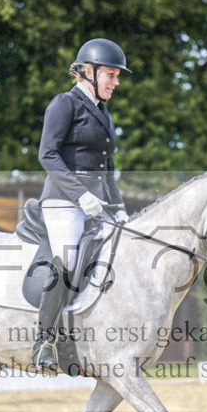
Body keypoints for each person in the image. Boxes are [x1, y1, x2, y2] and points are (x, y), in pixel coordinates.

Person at [32, 38, 130, 370]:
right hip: (63, 200)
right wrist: (80, 195)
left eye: (117, 77)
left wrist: (118, 207)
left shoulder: (103, 112)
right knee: (69, 258)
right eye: (111, 75)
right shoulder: (65, 104)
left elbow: (107, 168)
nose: (115, 83)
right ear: (89, 71)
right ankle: (45, 341)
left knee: (122, 252)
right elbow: (47, 154)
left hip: (97, 203)